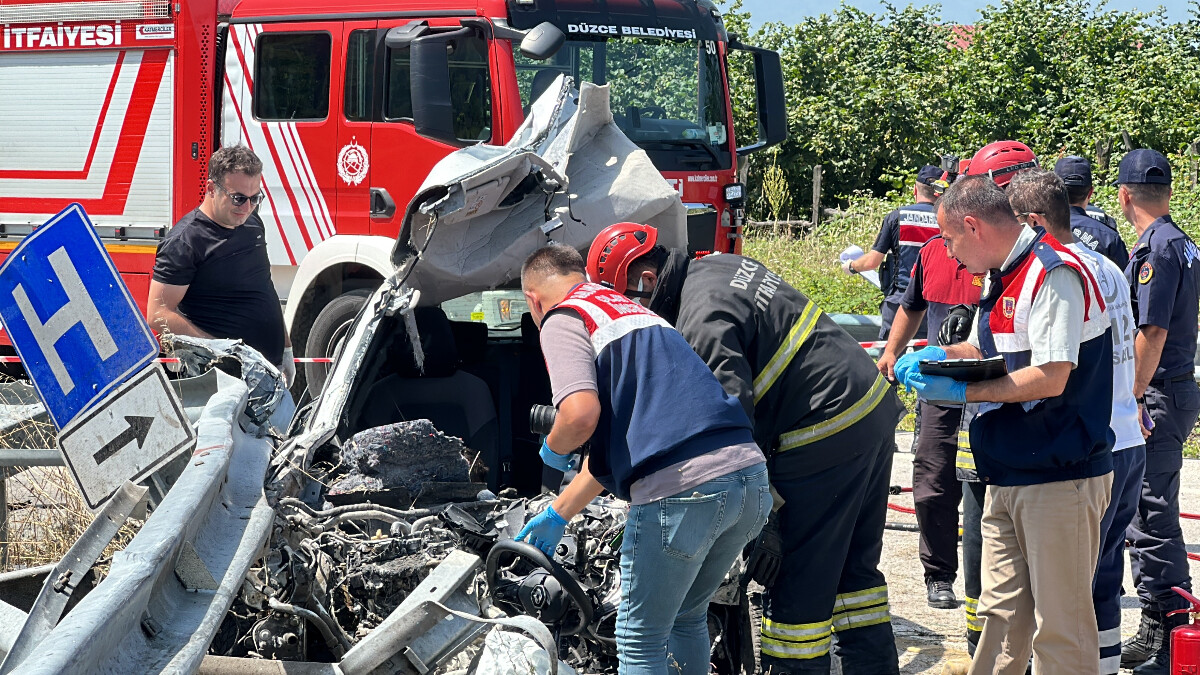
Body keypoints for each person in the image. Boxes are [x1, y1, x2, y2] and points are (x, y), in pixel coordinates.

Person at [589, 222, 905, 674]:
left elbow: (726, 423)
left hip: (822, 428)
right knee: (855, 576)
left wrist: (768, 520)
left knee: (800, 582)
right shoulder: (719, 266)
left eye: (627, 300)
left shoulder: (700, 320)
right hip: (867, 407)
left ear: (647, 281)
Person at [515, 244, 770, 675]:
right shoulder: (632, 312)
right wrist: (557, 513)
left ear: (533, 300)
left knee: (639, 638)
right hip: (748, 478)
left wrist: (554, 448)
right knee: (688, 617)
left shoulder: (562, 318)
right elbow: (624, 450)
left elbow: (578, 414)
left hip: (684, 491)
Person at [895, 175, 1114, 674]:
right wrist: (937, 356)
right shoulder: (1003, 273)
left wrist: (964, 391)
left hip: (1060, 474)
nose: (948, 255)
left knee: (1061, 627)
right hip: (1009, 470)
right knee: (999, 617)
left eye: (949, 240)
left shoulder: (1053, 273)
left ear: (972, 225)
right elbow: (985, 350)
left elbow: (1052, 376)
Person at [1007, 169, 1146, 675]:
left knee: (1066, 590)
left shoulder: (1054, 273)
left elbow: (1051, 368)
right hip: (1127, 437)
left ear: (1035, 221)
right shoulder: (1107, 266)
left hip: (1092, 446)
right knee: (1103, 579)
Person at [1116, 149, 1200, 675]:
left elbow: (1152, 331)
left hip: (1158, 393)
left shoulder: (1156, 250)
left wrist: (1132, 397)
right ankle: (1156, 623)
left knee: (1152, 516)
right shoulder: (1181, 242)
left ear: (1125, 196)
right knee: (1147, 513)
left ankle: (1174, 634)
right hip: (1173, 388)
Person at [877, 233, 983, 611]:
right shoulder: (933, 252)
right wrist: (892, 351)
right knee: (933, 479)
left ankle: (987, 575)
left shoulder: (1002, 251)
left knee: (988, 488)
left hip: (994, 391)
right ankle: (939, 575)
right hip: (942, 391)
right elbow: (912, 305)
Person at [149, 146, 295, 384]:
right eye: (238, 198)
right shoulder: (185, 241)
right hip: (221, 379)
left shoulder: (252, 222)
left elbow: (264, 288)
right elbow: (157, 314)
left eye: (255, 198)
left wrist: (286, 347)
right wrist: (219, 353)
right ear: (211, 189)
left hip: (267, 370)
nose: (247, 208)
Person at [844, 164, 943, 340]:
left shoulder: (897, 216)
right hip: (937, 305)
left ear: (915, 189)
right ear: (940, 191)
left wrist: (851, 266)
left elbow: (872, 262)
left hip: (901, 303)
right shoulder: (949, 218)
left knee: (891, 361)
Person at [1053, 155, 1129, 267]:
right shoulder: (1108, 237)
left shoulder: (1038, 230)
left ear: (1054, 192)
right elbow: (1124, 282)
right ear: (1090, 192)